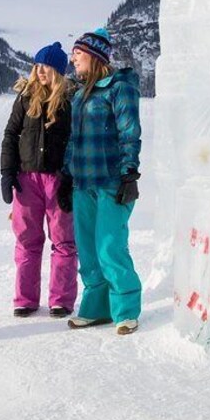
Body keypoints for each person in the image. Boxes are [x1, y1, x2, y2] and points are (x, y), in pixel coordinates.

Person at [60, 28, 142, 335]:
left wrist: (129, 174)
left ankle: (126, 309)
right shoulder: (80, 94)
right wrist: (67, 176)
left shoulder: (119, 87)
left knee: (110, 247)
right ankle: (96, 309)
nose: (73, 60)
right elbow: (74, 140)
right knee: (89, 249)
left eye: (77, 55)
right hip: (83, 183)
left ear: (94, 57)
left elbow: (129, 132)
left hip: (112, 181)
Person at [0, 42, 77, 318]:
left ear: (58, 69)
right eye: (37, 65)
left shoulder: (70, 100)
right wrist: (7, 173)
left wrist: (71, 177)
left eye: (46, 66)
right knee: (27, 240)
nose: (40, 71)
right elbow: (10, 135)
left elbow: (76, 141)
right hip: (26, 179)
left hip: (59, 178)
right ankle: (25, 299)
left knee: (64, 241)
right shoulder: (25, 97)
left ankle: (61, 299)